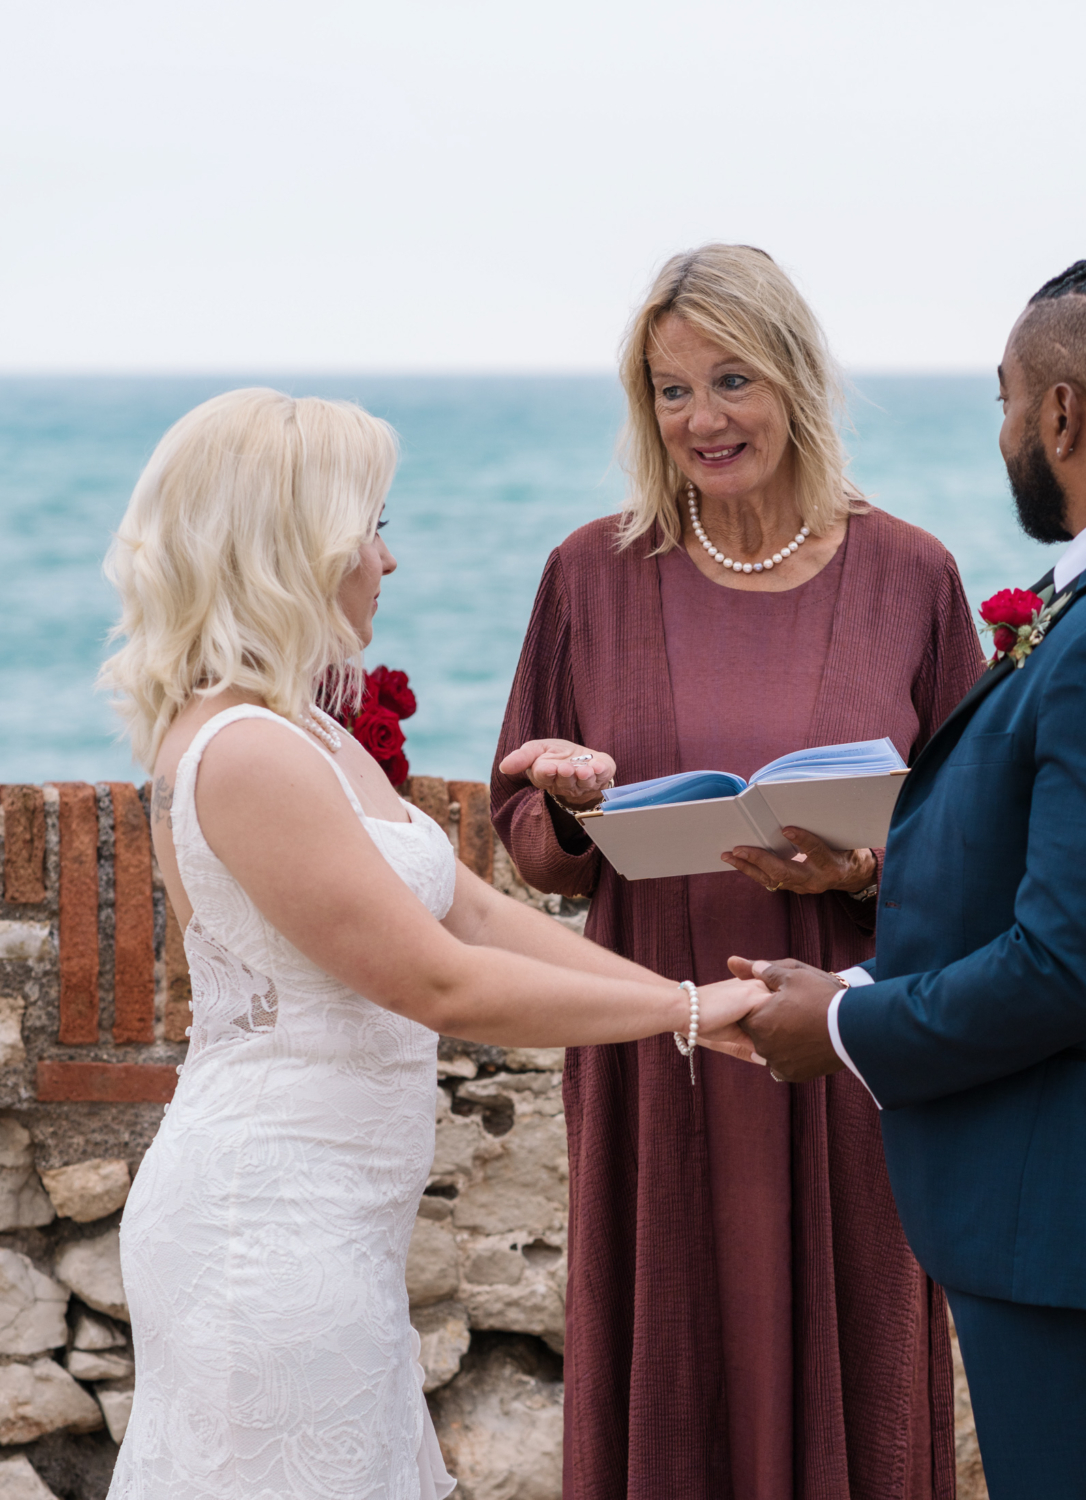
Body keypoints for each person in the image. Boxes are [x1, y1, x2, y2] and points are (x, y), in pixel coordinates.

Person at [99, 388, 764, 1500]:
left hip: (333, 1234)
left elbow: (477, 913)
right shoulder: (249, 752)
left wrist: (688, 994)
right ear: (292, 545)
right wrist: (685, 1018)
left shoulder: (305, 727)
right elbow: (436, 980)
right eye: (372, 527)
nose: (385, 561)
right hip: (261, 1235)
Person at [736, 251, 1086, 1500]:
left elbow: (1070, 968)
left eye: (1002, 402)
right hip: (1085, 1205)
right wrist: (881, 912)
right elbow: (1076, 880)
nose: (1000, 434)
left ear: (1058, 413)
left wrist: (842, 1021)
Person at [492, 244, 982, 1499]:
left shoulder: (911, 576)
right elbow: (526, 836)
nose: (701, 418)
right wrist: (562, 800)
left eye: (730, 379)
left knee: (850, 1344)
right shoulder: (589, 574)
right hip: (652, 1032)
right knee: (666, 1345)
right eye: (668, 390)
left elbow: (980, 841)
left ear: (795, 380)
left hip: (838, 1030)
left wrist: (866, 869)